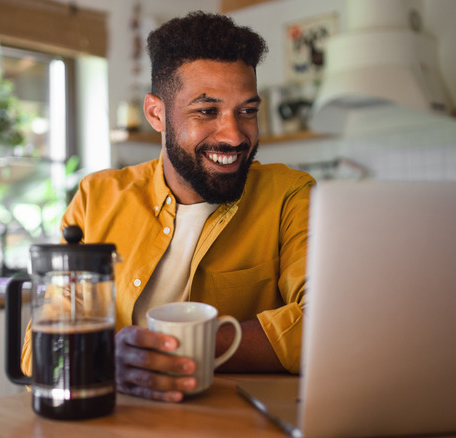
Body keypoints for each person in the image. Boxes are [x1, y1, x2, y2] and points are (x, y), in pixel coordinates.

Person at [21, 10, 315, 403]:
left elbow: (326, 324)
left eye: (247, 111)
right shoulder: (97, 198)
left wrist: (186, 346)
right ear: (156, 114)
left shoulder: (290, 195)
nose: (233, 135)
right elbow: (41, 347)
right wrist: (107, 358)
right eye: (207, 111)